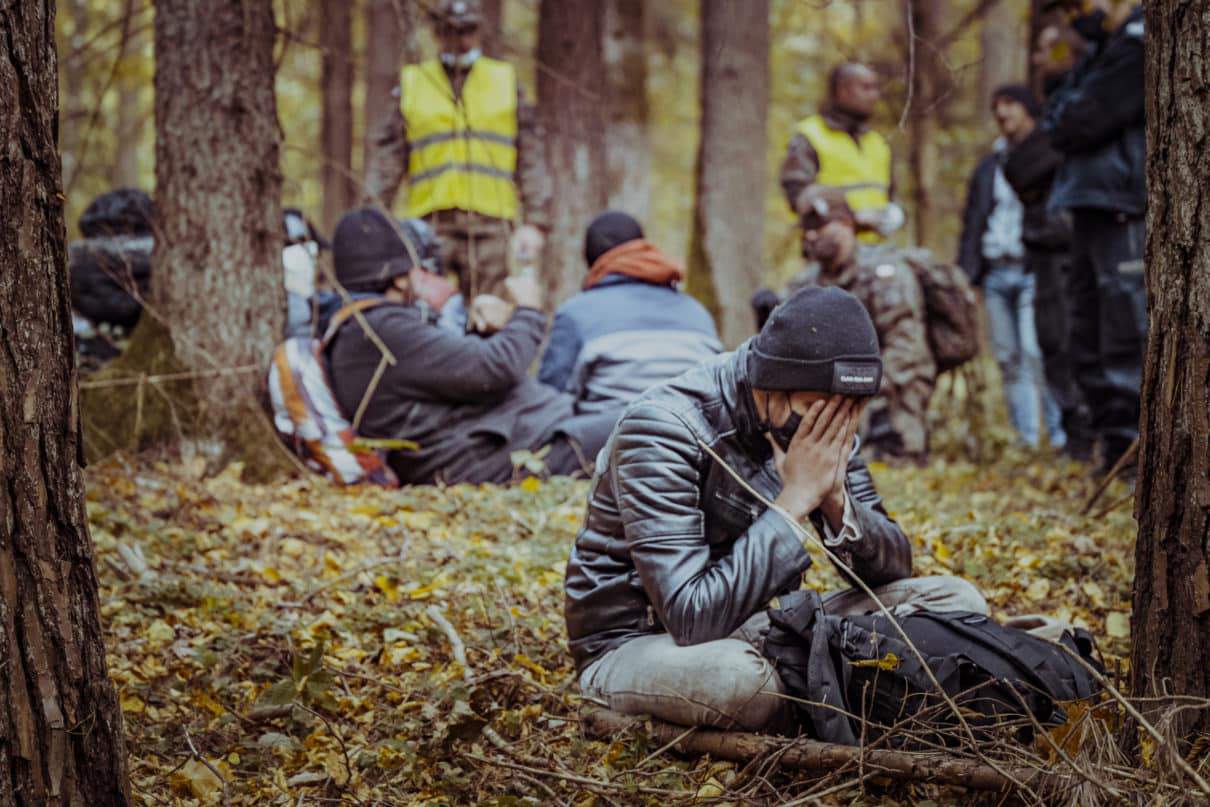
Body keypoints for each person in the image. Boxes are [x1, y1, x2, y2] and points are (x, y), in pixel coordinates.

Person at [564, 286, 987, 732]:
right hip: (638, 643)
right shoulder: (663, 427)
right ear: (771, 384)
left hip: (757, 630)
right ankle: (851, 699)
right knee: (742, 683)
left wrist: (835, 500)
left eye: (850, 412)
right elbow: (690, 617)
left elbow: (895, 570)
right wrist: (794, 501)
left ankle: (838, 691)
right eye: (815, 410)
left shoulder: (823, 419)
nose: (834, 426)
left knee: (955, 601)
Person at [325, 207, 617, 485]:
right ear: (400, 278)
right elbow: (495, 368)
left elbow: (452, 371)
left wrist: (481, 329)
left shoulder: (366, 330)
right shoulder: (384, 330)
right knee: (631, 429)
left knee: (625, 421)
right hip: (474, 461)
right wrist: (528, 311)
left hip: (486, 445)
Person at [363, 0, 550, 301]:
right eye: (451, 31)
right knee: (428, 317)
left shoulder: (505, 80)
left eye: (467, 31)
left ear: (478, 31)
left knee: (490, 317)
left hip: (491, 224)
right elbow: (388, 158)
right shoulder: (413, 83)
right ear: (436, 33)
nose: (461, 40)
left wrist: (536, 222)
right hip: (431, 223)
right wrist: (370, 221)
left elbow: (531, 156)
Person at [1040, 0, 1144, 474]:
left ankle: (1132, 454)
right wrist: (1065, 109)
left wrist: (1066, 112)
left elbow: (1078, 118)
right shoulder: (1101, 51)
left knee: (1124, 329)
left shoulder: (1140, 41)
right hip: (1087, 206)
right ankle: (1112, 448)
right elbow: (1056, 117)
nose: (1079, 12)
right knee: (1085, 333)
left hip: (1121, 205)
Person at [957, 86, 1064, 450]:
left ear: (1029, 109)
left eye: (1011, 105)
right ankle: (1027, 441)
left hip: (1035, 268)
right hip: (995, 274)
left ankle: (1061, 436)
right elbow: (973, 221)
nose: (1002, 113)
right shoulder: (988, 167)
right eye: (997, 107)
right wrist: (967, 274)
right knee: (1008, 358)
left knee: (1038, 352)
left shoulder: (1049, 155)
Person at [797, 186, 936, 464]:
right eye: (807, 228)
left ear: (847, 224)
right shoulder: (805, 283)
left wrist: (853, 386)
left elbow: (907, 350)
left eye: (821, 226)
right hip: (833, 395)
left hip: (889, 387)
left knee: (887, 456)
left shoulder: (884, 273)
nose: (811, 235)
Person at [538, 211, 722, 413]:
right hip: (693, 436)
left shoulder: (575, 312)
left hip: (605, 437)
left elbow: (550, 396)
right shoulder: (697, 312)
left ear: (591, 262)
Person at [779, 62, 904, 242]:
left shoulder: (877, 142)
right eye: (866, 88)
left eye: (876, 88)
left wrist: (894, 214)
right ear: (842, 91)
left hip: (878, 253)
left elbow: (890, 196)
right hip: (829, 255)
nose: (874, 95)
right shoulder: (810, 135)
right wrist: (852, 219)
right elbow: (798, 196)